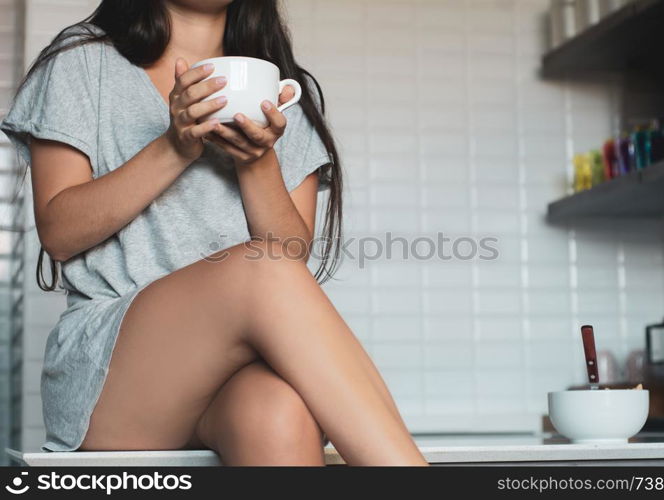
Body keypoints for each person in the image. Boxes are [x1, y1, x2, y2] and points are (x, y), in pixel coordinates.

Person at [0, 0, 428, 466]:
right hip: (115, 382)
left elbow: (290, 256)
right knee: (260, 267)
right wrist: (175, 147)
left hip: (231, 378)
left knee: (281, 413)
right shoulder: (82, 61)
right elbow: (60, 233)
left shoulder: (284, 93)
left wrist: (256, 160)